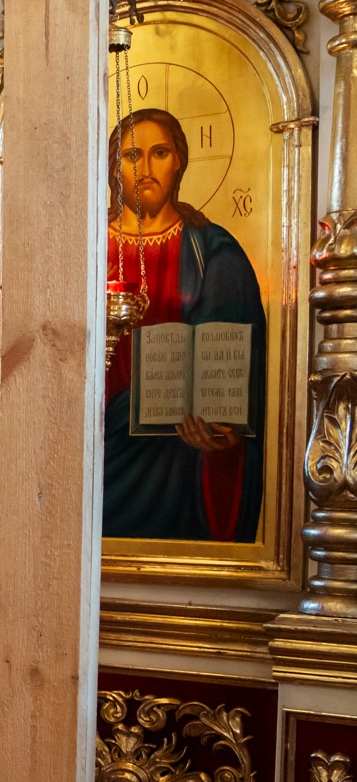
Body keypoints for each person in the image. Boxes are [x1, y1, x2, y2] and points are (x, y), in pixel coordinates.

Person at [103, 107, 266, 543]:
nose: (146, 168)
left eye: (160, 153)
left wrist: (227, 435)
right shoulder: (87, 246)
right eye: (131, 154)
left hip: (181, 456)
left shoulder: (214, 252)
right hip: (101, 448)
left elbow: (241, 371)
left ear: (180, 162)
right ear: (113, 166)